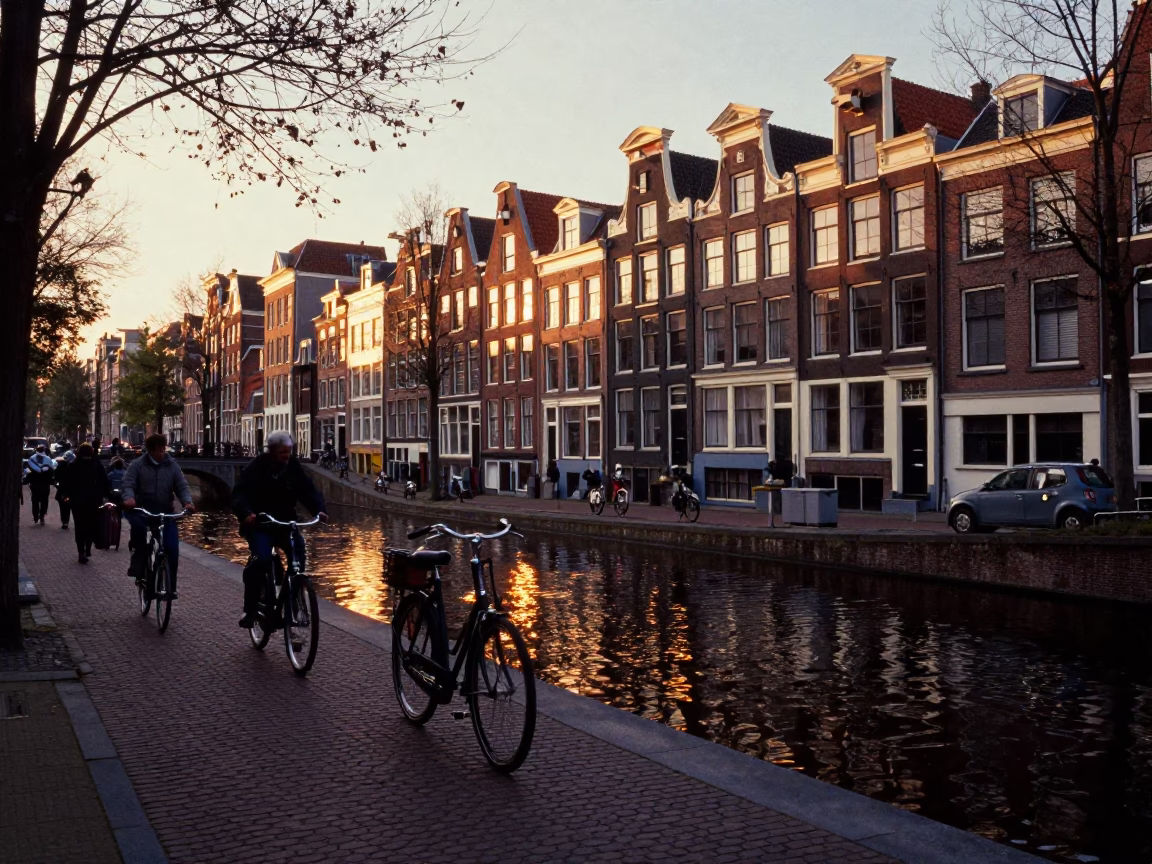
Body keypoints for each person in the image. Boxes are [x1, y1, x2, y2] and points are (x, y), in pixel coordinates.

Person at [232, 431, 328, 628]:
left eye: (289, 451)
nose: (287, 455)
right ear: (272, 451)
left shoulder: (292, 467)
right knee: (262, 559)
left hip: (285, 523)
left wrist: (319, 510)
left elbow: (306, 488)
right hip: (261, 524)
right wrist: (246, 513)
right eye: (283, 452)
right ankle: (249, 610)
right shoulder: (256, 467)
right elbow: (240, 494)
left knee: (298, 556)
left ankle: (291, 599)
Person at [121, 434, 195, 598]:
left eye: (164, 448)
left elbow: (181, 485)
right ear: (151, 451)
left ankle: (171, 588)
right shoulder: (137, 465)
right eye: (160, 450)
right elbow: (128, 483)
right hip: (143, 511)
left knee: (172, 549)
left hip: (165, 512)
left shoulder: (171, 465)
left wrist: (187, 502)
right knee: (139, 532)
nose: (163, 452)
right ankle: (138, 564)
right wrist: (129, 498)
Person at [59, 444, 109, 564]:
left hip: (78, 501)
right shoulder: (96, 465)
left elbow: (67, 482)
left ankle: (81, 551)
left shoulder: (74, 465)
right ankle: (87, 548)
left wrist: (66, 496)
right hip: (94, 501)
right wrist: (106, 496)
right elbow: (104, 481)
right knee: (91, 525)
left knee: (80, 527)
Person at [26, 445, 55, 524]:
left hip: (34, 484)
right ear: (44, 450)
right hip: (45, 484)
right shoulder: (48, 459)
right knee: (44, 501)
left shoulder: (31, 458)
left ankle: (35, 516)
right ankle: (42, 516)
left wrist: (27, 480)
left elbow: (28, 471)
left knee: (35, 500)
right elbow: (52, 470)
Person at [54, 447, 76, 529]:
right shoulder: (73, 466)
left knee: (64, 506)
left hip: (65, 490)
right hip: (68, 490)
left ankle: (65, 521)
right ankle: (65, 521)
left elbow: (55, 477)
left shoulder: (63, 466)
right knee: (66, 506)